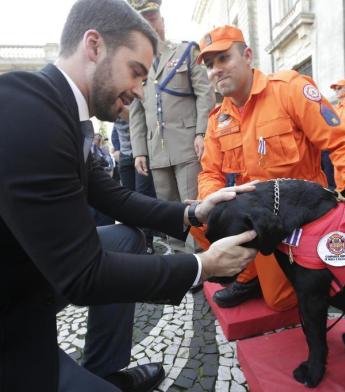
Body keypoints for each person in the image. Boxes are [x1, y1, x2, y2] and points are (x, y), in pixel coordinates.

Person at [0, 4, 259, 392]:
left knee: (125, 238)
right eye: (136, 72)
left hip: (33, 267)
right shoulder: (30, 114)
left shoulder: (63, 111)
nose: (140, 91)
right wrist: (203, 264)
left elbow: (115, 198)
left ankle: (107, 370)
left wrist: (194, 211)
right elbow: (83, 276)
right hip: (12, 310)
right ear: (94, 46)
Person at [191, 25, 345, 310]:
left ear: (247, 55)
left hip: (301, 216)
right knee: (201, 218)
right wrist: (216, 203)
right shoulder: (217, 119)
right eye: (209, 65)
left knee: (282, 301)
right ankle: (248, 275)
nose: (216, 70)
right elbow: (210, 172)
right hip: (254, 215)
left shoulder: (289, 89)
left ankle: (275, 271)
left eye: (223, 59)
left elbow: (343, 143)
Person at [129, 0, 215, 208]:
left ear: (162, 21)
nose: (149, 25)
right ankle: (174, 243)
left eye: (152, 18)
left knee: (195, 208)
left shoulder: (185, 52)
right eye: (143, 21)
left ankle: (197, 243)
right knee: (168, 212)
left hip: (188, 146)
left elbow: (205, 93)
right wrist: (139, 150)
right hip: (156, 150)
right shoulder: (135, 64)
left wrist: (202, 133)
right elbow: (136, 112)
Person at [114, 106, 157, 254]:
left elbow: (134, 118)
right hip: (125, 155)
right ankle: (133, 241)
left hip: (142, 153)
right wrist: (116, 149)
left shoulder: (129, 98)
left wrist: (114, 103)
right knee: (127, 200)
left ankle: (147, 241)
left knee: (143, 196)